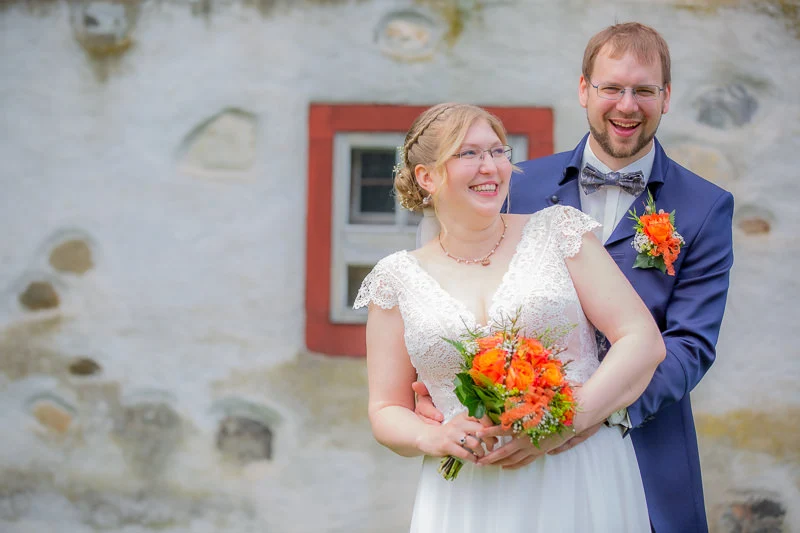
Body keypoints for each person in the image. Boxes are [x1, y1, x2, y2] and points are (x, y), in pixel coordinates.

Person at [413, 23, 735, 533]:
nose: (627, 105)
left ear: (666, 97)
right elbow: (462, 276)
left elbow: (691, 344)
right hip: (514, 446)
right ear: (584, 89)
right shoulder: (514, 185)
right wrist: (444, 373)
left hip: (642, 441)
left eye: (644, 90)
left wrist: (590, 415)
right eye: (611, 87)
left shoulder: (705, 207)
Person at [354, 102, 665, 532]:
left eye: (498, 152)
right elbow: (386, 408)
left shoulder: (558, 232)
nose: (491, 167)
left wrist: (567, 420)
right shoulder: (395, 280)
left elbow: (641, 340)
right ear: (427, 177)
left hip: (575, 473)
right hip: (468, 493)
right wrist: (435, 436)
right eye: (469, 154)